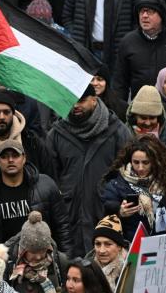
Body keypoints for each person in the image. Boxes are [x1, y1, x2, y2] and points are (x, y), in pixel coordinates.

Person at [48, 87, 133, 256]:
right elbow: (51, 176)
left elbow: (129, 174)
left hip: (105, 213)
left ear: (94, 99)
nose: (75, 106)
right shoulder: (56, 134)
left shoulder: (117, 131)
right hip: (69, 216)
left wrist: (114, 201)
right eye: (71, 101)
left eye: (80, 100)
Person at [0, 140, 72, 251]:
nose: (10, 160)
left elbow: (63, 227)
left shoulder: (46, 185)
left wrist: (66, 260)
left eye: (15, 155)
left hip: (42, 257)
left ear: (24, 158)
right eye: (4, 157)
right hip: (4, 261)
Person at [100, 134, 166, 241]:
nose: (140, 168)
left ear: (154, 162)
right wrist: (119, 212)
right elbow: (106, 213)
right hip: (131, 245)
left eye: (145, 162)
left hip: (163, 243)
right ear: (130, 161)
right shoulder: (117, 183)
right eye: (136, 162)